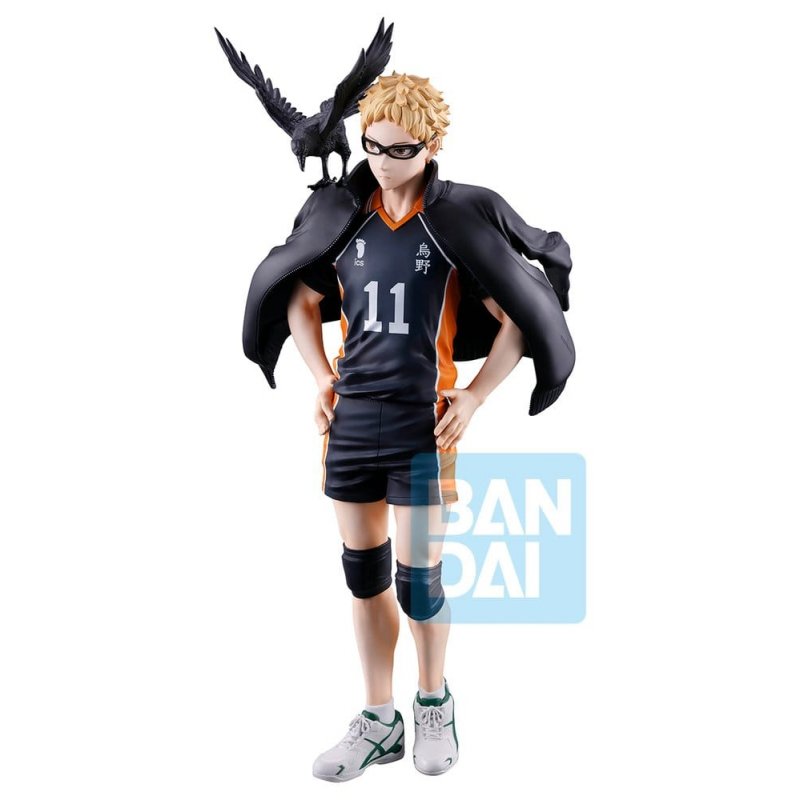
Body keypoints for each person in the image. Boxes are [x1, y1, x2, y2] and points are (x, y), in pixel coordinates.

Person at [285, 72, 534, 782]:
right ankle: (377, 718)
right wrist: (321, 376)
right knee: (363, 577)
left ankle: (433, 702)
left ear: (431, 147)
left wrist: (475, 397)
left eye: (401, 149)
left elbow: (519, 315)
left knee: (418, 580)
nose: (384, 161)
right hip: (351, 420)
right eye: (372, 146)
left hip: (423, 425)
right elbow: (300, 299)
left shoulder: (451, 225)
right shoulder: (344, 218)